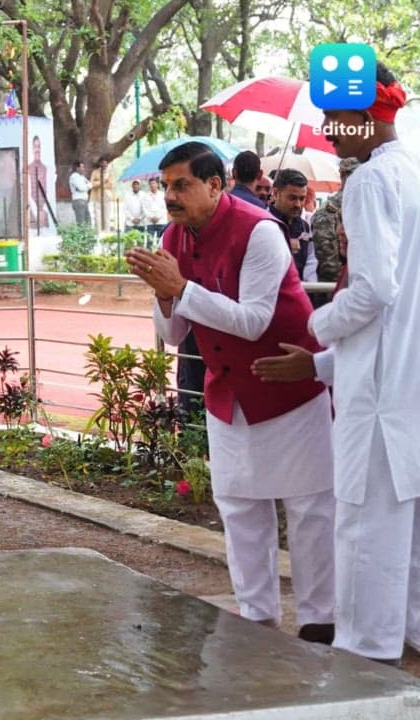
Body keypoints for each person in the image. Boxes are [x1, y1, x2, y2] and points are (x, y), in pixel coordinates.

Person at [124, 141, 335, 644]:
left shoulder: (260, 231)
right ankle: (257, 617)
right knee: (240, 509)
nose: (170, 196)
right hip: (228, 393)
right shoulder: (174, 237)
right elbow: (175, 336)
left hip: (288, 384)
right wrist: (163, 293)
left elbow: (253, 319)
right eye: (165, 186)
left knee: (309, 509)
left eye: (182, 185)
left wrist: (181, 290)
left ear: (215, 185)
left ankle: (320, 621)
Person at [255, 64, 419, 665]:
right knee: (406, 531)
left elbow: (375, 290)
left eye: (334, 116)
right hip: (403, 383)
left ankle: (363, 657)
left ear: (367, 113)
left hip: (377, 398)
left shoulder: (372, 180)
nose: (327, 129)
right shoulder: (411, 171)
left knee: (364, 529)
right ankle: (403, 637)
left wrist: (318, 327)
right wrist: (326, 367)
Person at [309, 158, 359, 292]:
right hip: (344, 288)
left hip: (338, 288)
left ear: (342, 174)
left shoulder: (329, 209)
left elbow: (328, 262)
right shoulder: (368, 203)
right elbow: (329, 265)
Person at [268, 169, 315, 282]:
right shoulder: (261, 222)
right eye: (292, 198)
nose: (298, 205)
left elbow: (311, 263)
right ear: (275, 193)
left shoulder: (305, 227)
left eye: (302, 199)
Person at [29, 136, 50, 230]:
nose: (37, 150)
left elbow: (49, 191)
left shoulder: (45, 168)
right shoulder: (28, 168)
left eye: (39, 146)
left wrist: (43, 210)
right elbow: (28, 192)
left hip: (44, 211)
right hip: (32, 211)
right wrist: (36, 211)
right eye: (35, 146)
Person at [89, 159, 117, 230]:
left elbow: (111, 185)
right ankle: (98, 233)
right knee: (97, 216)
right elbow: (92, 183)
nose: (104, 165)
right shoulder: (95, 172)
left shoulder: (110, 173)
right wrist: (103, 181)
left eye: (105, 163)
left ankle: (107, 233)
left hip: (107, 196)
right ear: (100, 164)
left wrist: (99, 184)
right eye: (102, 163)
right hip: (96, 196)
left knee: (107, 215)